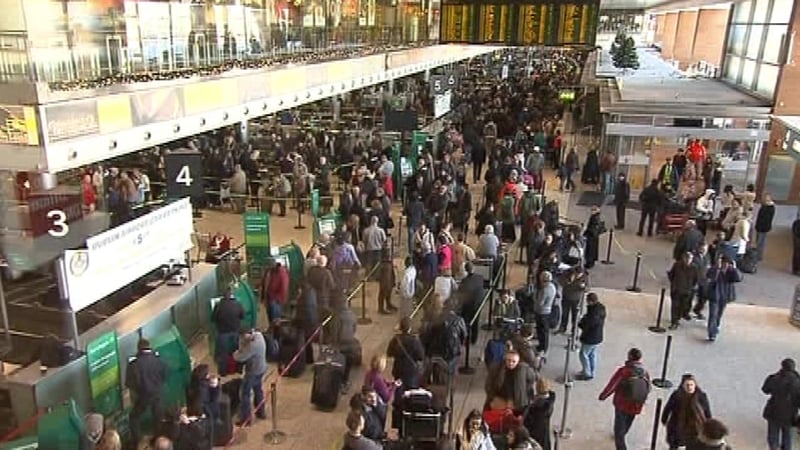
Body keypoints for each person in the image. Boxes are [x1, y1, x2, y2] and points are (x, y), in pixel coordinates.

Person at [598, 348, 651, 450]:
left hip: (622, 404)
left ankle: (621, 441)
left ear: (629, 357)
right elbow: (648, 388)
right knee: (629, 421)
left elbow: (613, 385)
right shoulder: (645, 372)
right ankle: (623, 433)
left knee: (619, 431)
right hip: (637, 404)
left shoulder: (624, 371)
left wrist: (603, 396)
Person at [126, 339, 168, 446]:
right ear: (149, 347)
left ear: (139, 348)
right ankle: (158, 442)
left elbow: (130, 383)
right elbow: (165, 375)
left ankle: (137, 441)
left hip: (143, 396)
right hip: (158, 393)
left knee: (134, 417)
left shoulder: (134, 364)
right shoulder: (159, 360)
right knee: (158, 417)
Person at [661, 374, 712, 450]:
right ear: (683, 386)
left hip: (694, 428)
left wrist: (709, 426)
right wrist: (664, 419)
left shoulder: (701, 396)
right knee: (674, 445)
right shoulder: (676, 395)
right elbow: (668, 408)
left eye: (691, 385)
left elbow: (707, 412)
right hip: (677, 426)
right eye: (687, 385)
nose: (689, 387)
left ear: (695, 385)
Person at [761, 358, 800, 450]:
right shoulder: (798, 382)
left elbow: (765, 390)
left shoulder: (775, 378)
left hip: (773, 411)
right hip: (790, 414)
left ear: (782, 366)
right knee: (787, 436)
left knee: (773, 435)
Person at [233, 329, 267, 425]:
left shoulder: (252, 346)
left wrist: (235, 352)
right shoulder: (259, 336)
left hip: (252, 372)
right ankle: (261, 412)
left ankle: (246, 418)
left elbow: (240, 357)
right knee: (258, 390)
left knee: (245, 394)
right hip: (262, 368)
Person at [706, 256, 742, 342]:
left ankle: (716, 325)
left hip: (724, 296)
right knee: (713, 314)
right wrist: (717, 269)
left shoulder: (731, 272)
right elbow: (709, 275)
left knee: (719, 313)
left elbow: (739, 278)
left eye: (726, 264)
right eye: (723, 263)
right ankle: (712, 334)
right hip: (714, 295)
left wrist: (735, 269)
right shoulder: (716, 269)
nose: (724, 265)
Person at [211, 290, 244, 374]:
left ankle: (223, 371)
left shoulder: (218, 305)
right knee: (236, 350)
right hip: (235, 330)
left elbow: (213, 319)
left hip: (223, 332)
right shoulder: (238, 304)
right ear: (232, 296)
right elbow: (242, 316)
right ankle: (238, 369)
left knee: (223, 353)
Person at [387, 317, 425, 389]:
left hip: (398, 369)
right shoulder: (414, 341)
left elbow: (389, 353)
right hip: (410, 371)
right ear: (410, 328)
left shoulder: (396, 339)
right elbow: (421, 356)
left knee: (398, 389)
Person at [577, 292, 606, 381]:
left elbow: (587, 325)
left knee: (583, 354)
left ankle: (587, 373)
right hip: (597, 336)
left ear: (591, 301)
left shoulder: (593, 313)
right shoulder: (601, 308)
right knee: (592, 354)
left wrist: (580, 323)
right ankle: (591, 371)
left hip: (590, 337)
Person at [667, 252, 698, 330]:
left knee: (682, 307)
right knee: (675, 306)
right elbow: (671, 275)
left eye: (690, 259)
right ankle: (674, 322)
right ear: (683, 258)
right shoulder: (677, 265)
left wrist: (691, 287)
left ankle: (678, 317)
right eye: (686, 258)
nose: (688, 260)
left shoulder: (694, 268)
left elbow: (695, 279)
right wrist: (674, 284)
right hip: (676, 290)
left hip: (686, 291)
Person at [457, 261, 485, 345]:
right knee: (475, 322)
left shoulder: (464, 281)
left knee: (466, 321)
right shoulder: (480, 278)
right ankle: (474, 339)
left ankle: (465, 338)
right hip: (478, 304)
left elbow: (460, 294)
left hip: (467, 305)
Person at [523, 378, 555, 450]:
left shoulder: (535, 408)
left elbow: (527, 423)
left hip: (535, 435)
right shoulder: (550, 400)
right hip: (544, 433)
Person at [533, 271, 557, 357]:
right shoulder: (552, 286)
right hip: (547, 311)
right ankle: (542, 346)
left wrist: (534, 296)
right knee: (544, 331)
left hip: (542, 312)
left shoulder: (544, 290)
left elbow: (539, 302)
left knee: (542, 330)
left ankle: (543, 347)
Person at [557, 269, 585, 335]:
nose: (577, 276)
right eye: (576, 274)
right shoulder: (567, 274)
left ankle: (574, 331)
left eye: (579, 274)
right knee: (564, 314)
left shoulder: (584, 277)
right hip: (566, 297)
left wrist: (583, 287)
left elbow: (587, 288)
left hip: (576, 299)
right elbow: (561, 282)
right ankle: (562, 328)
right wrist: (569, 280)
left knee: (575, 316)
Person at [754, 193, 775, 262]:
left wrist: (765, 227)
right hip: (759, 225)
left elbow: (768, 218)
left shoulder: (771, 207)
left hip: (764, 227)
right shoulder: (763, 205)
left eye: (767, 197)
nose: (765, 198)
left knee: (761, 242)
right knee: (758, 241)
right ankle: (757, 254)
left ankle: (759, 256)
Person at [377, 249, 397, 314]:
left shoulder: (389, 262)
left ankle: (388, 304)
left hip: (390, 280)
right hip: (385, 282)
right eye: (388, 254)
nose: (389, 255)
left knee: (389, 292)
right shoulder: (383, 264)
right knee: (382, 293)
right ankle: (381, 308)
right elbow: (383, 276)